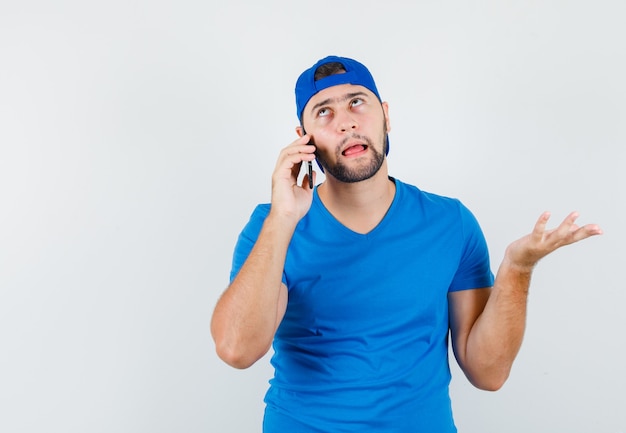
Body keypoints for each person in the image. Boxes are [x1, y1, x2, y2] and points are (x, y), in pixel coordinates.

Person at [211, 55, 602, 432]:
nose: (346, 122)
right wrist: (283, 219)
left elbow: (489, 373)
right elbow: (236, 349)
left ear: (386, 115)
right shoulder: (272, 225)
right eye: (324, 112)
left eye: (357, 103)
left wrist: (518, 268)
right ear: (304, 140)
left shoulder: (451, 222)